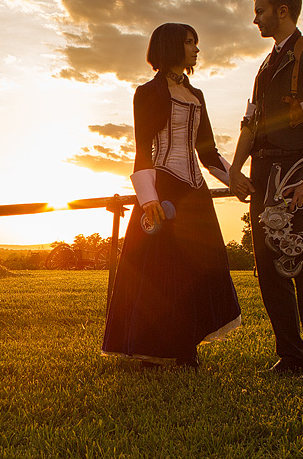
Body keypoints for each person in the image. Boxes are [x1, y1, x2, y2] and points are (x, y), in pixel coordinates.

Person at [102, 23, 242, 368]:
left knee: (199, 268)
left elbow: (207, 152)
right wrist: (148, 199)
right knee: (162, 273)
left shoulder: (197, 95)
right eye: (189, 42)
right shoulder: (147, 92)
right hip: (163, 187)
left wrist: (237, 179)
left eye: (196, 42)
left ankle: (186, 347)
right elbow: (142, 149)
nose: (196, 49)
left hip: (195, 192)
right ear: (170, 47)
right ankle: (155, 349)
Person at [227, 0, 303, 380]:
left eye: (260, 10)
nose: (255, 17)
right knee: (269, 268)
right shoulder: (265, 64)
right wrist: (234, 170)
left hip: (293, 171)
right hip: (261, 174)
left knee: (300, 259)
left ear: (284, 11)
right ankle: (290, 357)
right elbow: (250, 121)